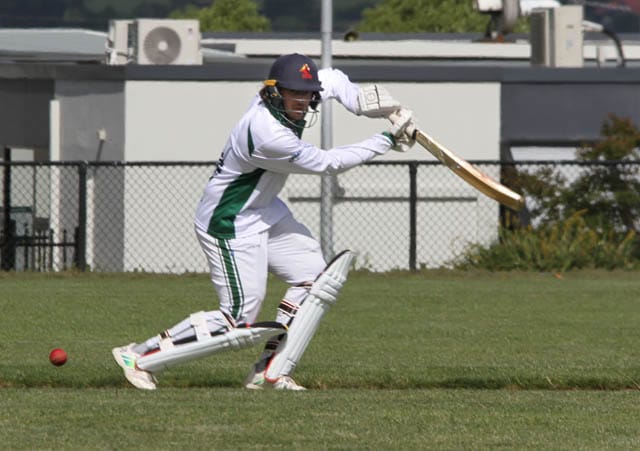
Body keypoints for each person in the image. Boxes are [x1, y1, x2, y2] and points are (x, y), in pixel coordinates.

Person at [112, 53, 415, 391]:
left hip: (265, 209)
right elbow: (327, 163)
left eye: (307, 94)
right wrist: (386, 140)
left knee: (315, 280)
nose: (302, 101)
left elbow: (334, 78)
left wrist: (371, 105)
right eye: (294, 93)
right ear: (273, 91)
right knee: (238, 319)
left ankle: (270, 369)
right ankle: (137, 355)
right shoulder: (265, 133)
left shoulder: (295, 100)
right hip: (231, 220)